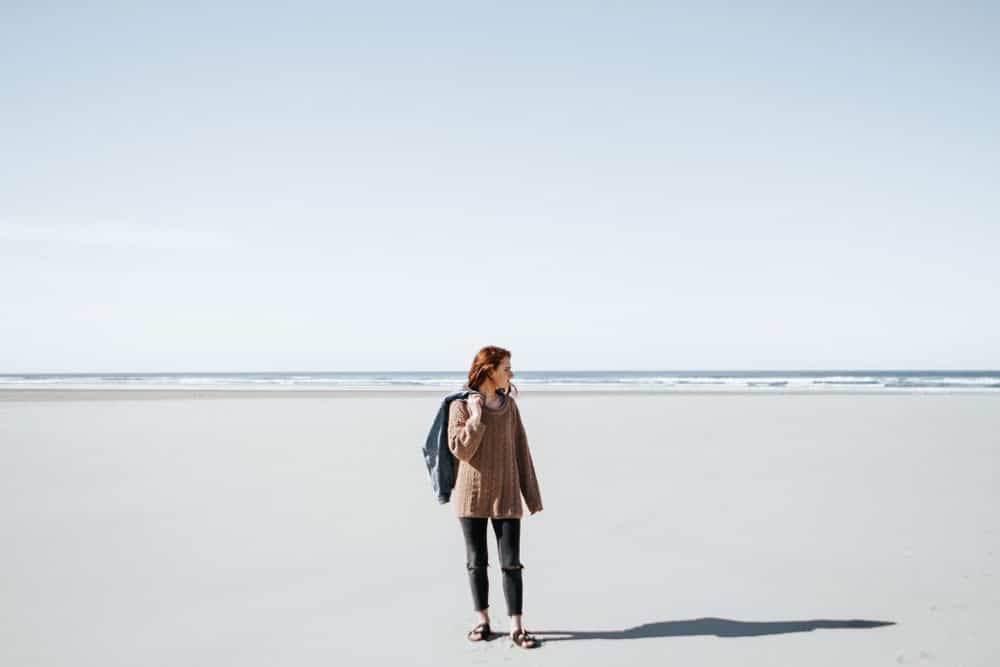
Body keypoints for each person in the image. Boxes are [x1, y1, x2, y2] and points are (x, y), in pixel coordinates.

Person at [447, 346, 543, 649]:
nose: (511, 373)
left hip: (506, 495)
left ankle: (516, 626)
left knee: (511, 563)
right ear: (489, 370)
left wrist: (531, 495)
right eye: (506, 367)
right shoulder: (461, 406)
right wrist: (476, 417)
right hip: (470, 498)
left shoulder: (510, 407)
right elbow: (460, 449)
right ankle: (483, 621)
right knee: (476, 562)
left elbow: (521, 450)